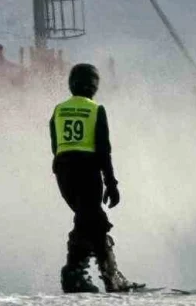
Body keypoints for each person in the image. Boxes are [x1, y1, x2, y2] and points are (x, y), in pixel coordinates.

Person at [49, 63, 142, 293]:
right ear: (94, 85)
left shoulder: (58, 109)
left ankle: (98, 276)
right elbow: (103, 150)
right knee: (92, 221)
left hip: (63, 173)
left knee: (91, 221)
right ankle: (81, 274)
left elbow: (55, 144)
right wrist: (111, 183)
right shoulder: (95, 109)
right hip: (87, 171)